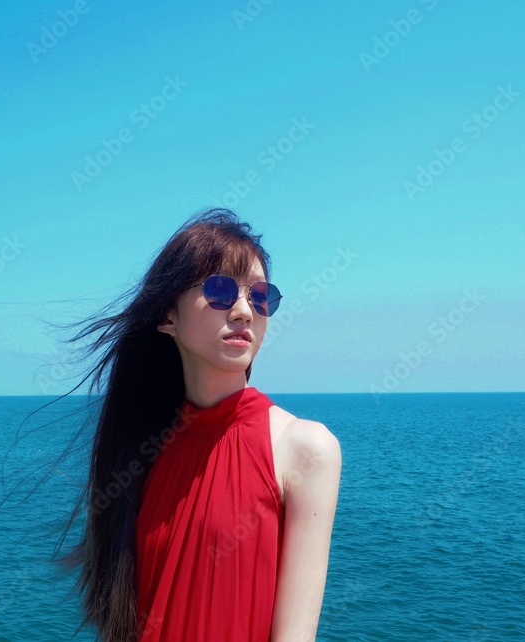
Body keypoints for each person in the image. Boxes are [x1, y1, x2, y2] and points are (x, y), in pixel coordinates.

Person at [51, 208, 342, 641]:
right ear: (167, 317)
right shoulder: (143, 449)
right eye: (221, 290)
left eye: (260, 297)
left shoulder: (304, 450)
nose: (245, 310)